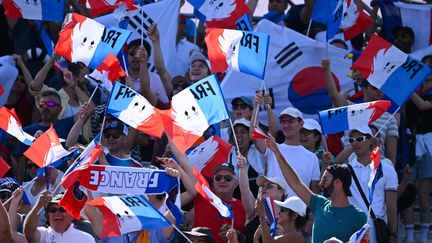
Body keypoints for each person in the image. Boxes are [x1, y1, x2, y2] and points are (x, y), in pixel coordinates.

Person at [266, 134, 367, 242]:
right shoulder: (319, 203)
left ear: (337, 183)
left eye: (325, 180)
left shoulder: (359, 217)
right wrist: (277, 152)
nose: (320, 184)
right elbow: (295, 183)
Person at [322, 58, 399, 165]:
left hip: (377, 169)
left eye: (382, 88)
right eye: (375, 88)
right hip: (352, 168)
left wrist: (390, 174)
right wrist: (327, 70)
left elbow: (391, 153)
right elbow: (333, 95)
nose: (380, 92)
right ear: (364, 88)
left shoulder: (389, 118)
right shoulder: (351, 109)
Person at [344, 125, 398, 243]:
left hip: (376, 231)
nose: (355, 143)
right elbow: (335, 162)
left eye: (360, 139)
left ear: (371, 141)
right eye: (351, 140)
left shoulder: (387, 169)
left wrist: (393, 234)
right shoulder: (345, 170)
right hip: (350, 230)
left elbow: (392, 206)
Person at [259, 107, 320, 197]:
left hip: (300, 210)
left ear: (301, 124)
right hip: (274, 209)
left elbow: (315, 192)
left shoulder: (312, 158)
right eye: (283, 122)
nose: (286, 125)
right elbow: (253, 133)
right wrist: (257, 105)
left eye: (291, 121)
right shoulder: (272, 148)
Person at [24, 192, 95, 242]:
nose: (57, 213)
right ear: (48, 215)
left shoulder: (86, 239)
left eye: (62, 209)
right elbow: (28, 232)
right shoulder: (44, 234)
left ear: (72, 215)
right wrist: (39, 205)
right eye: (53, 210)